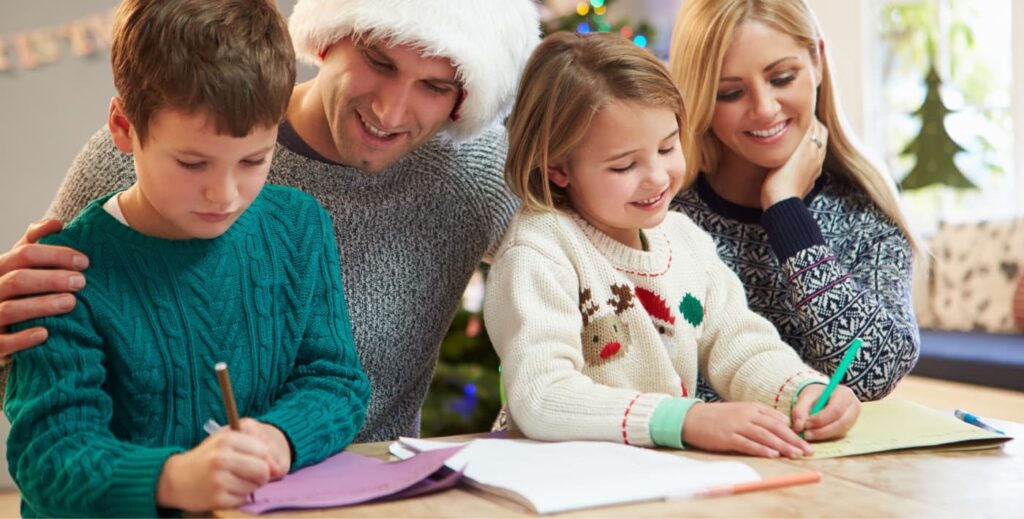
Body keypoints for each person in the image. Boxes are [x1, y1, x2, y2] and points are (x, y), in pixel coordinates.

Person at [0, 0, 541, 442]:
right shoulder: (153, 149)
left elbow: (597, 283)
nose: (391, 111)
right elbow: (37, 368)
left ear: (461, 100)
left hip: (369, 496)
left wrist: (512, 442)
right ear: (331, 39)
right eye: (379, 61)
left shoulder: (474, 172)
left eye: (435, 86)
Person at [4, 0, 372, 516]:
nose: (223, 195)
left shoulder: (300, 226)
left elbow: (335, 380)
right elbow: (50, 455)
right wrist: (172, 479)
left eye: (252, 160)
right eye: (192, 162)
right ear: (124, 127)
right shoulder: (62, 272)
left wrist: (278, 438)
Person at [485, 32, 860, 457]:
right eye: (625, 165)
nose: (659, 178)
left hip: (657, 475)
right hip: (554, 480)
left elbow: (737, 344)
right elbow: (541, 397)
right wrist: (684, 418)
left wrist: (800, 391)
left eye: (667, 147)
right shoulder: (539, 251)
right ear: (557, 169)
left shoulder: (685, 241)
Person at [667, 0, 920, 403]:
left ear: (817, 60)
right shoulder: (666, 219)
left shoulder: (865, 210)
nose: (764, 109)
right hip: (703, 462)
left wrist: (786, 211)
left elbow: (872, 373)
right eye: (730, 93)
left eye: (782, 78)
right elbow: (662, 375)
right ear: (700, 97)